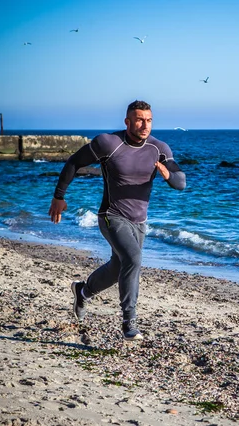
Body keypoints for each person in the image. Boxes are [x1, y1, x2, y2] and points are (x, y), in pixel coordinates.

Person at [48, 100, 186, 341]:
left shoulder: (159, 149)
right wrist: (59, 197)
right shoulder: (108, 143)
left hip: (139, 222)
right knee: (133, 258)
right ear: (128, 121)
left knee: (119, 266)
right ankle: (128, 322)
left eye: (149, 120)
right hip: (111, 216)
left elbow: (180, 182)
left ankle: (83, 291)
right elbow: (74, 162)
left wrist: (168, 175)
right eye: (140, 120)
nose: (145, 125)